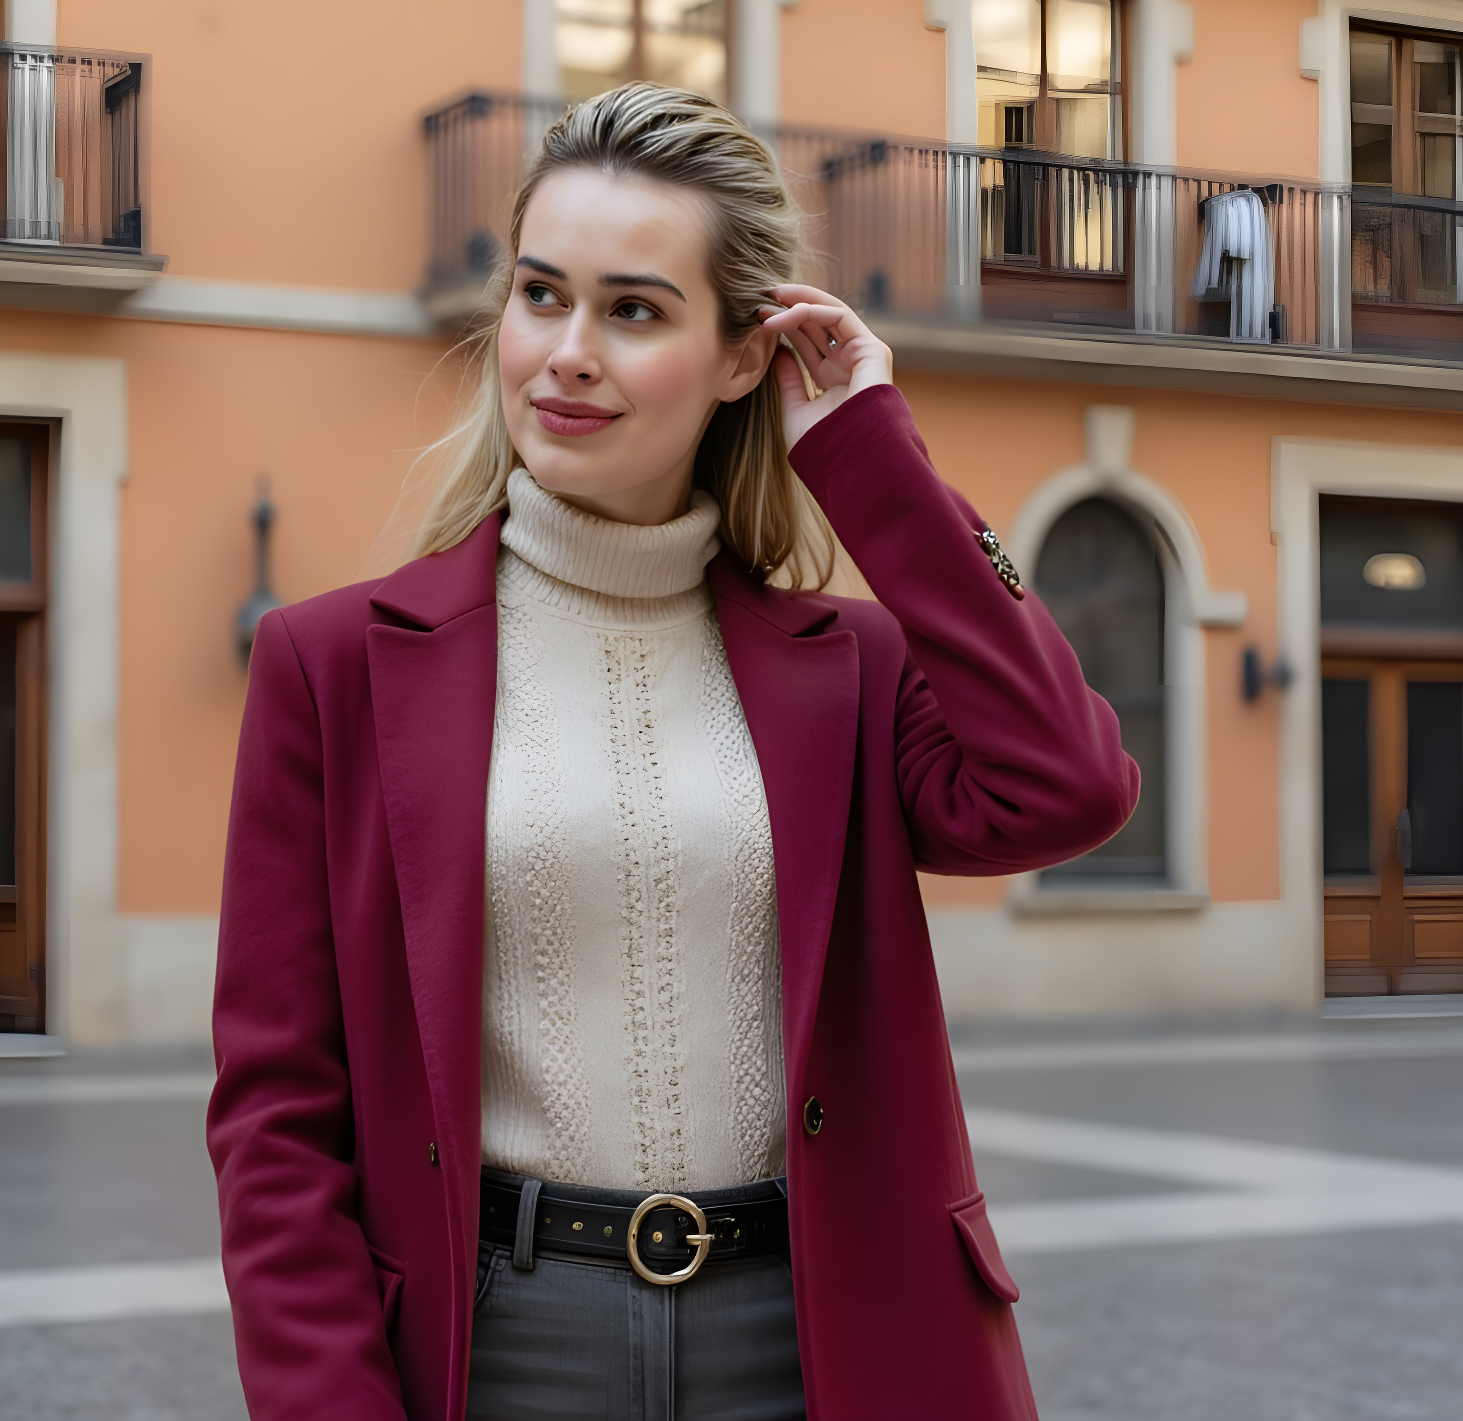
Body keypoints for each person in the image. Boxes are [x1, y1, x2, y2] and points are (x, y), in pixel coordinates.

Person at [207, 83, 1138, 1421]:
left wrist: (875, 460)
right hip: (499, 1344)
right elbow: (277, 1116)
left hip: (821, 1334)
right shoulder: (332, 666)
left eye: (634, 311)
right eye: (540, 295)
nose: (567, 353)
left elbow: (1068, 783)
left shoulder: (854, 670)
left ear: (744, 354)